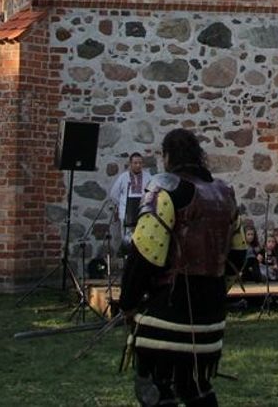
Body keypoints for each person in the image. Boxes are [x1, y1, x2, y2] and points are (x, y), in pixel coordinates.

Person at [119, 129, 246, 407]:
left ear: (167, 157)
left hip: (168, 314)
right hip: (211, 316)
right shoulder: (225, 193)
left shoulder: (164, 189)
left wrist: (128, 303)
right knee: (196, 387)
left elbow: (144, 256)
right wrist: (213, 288)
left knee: (157, 389)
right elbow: (239, 254)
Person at [109, 152, 151, 254]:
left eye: (140, 163)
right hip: (126, 215)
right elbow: (113, 194)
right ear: (130, 164)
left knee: (143, 241)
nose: (138, 165)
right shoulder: (123, 177)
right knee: (128, 241)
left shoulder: (148, 177)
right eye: (135, 163)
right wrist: (122, 204)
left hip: (142, 214)